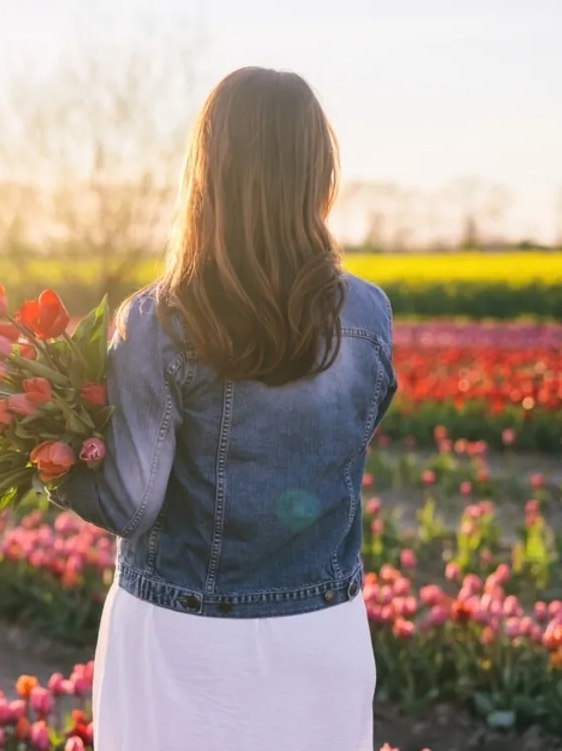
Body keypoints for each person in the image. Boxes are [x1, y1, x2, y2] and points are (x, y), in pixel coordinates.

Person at [48, 66, 397, 750]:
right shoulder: (368, 313)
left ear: (207, 172)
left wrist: (52, 458)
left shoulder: (159, 319)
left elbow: (131, 505)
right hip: (323, 629)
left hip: (185, 638)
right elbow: (347, 440)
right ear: (317, 171)